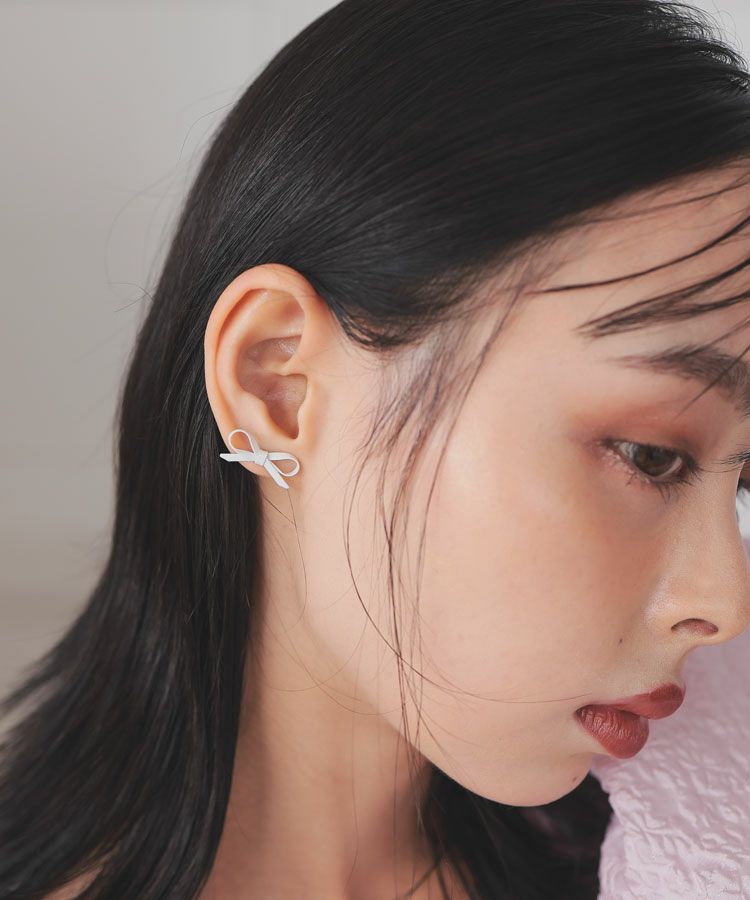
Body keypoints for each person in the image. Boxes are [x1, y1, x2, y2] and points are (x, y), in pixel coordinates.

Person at [3, 1, 750, 898]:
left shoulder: (682, 856)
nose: (725, 602)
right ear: (277, 381)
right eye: (651, 454)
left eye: (746, 481)